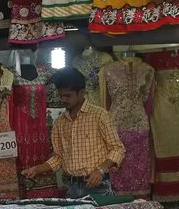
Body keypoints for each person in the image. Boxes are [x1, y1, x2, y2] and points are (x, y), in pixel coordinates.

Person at [23, 67, 126, 199]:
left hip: (98, 185)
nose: (63, 99)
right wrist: (37, 169)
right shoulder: (60, 122)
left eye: (68, 95)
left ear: (82, 93)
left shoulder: (100, 115)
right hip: (72, 187)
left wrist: (100, 170)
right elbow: (59, 158)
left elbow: (117, 148)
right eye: (61, 95)